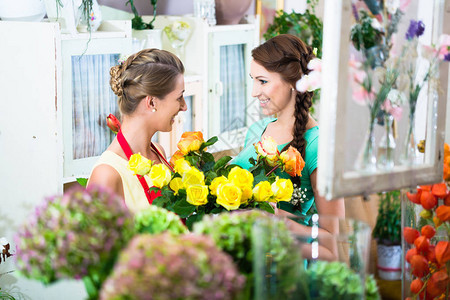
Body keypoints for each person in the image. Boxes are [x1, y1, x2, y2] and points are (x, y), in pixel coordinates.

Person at [232, 34, 345, 260]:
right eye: (253, 80)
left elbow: (332, 249)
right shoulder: (257, 130)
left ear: (293, 82)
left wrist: (276, 223)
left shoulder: (318, 146)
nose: (254, 92)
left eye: (262, 81)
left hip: (285, 272)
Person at [88, 48, 187, 213]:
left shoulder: (158, 152)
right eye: (179, 97)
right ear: (152, 103)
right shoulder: (107, 175)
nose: (184, 106)